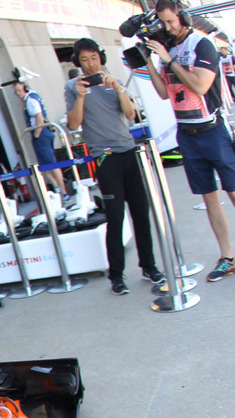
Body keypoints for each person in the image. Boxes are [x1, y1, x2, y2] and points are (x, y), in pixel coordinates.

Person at [144, 0, 235, 281]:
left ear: (184, 19)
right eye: (162, 22)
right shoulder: (167, 50)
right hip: (187, 135)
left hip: (213, 130)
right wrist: (149, 61)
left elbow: (201, 85)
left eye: (171, 21)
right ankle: (227, 257)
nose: (167, 27)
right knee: (209, 198)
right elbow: (164, 93)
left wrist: (169, 60)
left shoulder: (202, 45)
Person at [65, 37, 164, 297]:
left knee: (141, 214)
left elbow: (131, 115)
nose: (90, 64)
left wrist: (118, 88)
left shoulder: (113, 82)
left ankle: (149, 266)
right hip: (106, 158)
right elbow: (74, 124)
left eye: (94, 58)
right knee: (116, 219)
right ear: (78, 61)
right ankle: (117, 276)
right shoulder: (72, 87)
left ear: (101, 57)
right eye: (84, 59)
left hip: (129, 153)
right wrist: (81, 96)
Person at [14, 81, 67, 195]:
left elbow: (39, 117)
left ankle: (63, 191)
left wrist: (37, 134)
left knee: (50, 163)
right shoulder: (32, 97)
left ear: (26, 88)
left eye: (19, 90)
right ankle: (56, 187)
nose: (18, 93)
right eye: (16, 91)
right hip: (44, 132)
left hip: (42, 133)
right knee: (44, 165)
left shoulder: (31, 100)